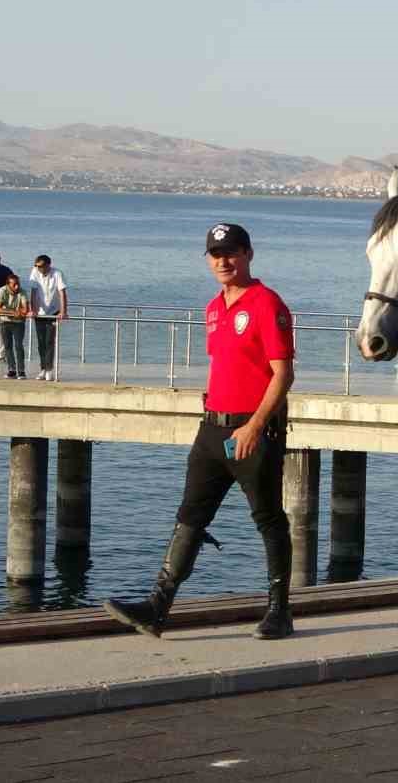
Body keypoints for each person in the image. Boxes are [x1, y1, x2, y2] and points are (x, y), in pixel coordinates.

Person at [104, 222, 297, 640]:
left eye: (231, 252)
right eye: (215, 254)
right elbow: (224, 366)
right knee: (190, 516)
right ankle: (157, 607)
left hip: (253, 432)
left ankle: (279, 612)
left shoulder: (267, 303)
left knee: (268, 520)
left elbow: (282, 374)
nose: (223, 261)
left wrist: (254, 427)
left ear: (248, 254)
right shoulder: (213, 308)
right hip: (212, 430)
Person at [28, 254, 69, 381]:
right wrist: (32, 310)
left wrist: (63, 311)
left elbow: (62, 293)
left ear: (48, 265)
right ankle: (43, 369)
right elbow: (33, 292)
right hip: (40, 312)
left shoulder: (57, 273)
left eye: (40, 266)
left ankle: (49, 370)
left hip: (54, 312)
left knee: (49, 341)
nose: (38, 268)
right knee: (41, 343)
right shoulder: (35, 272)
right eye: (36, 266)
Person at [0, 272, 29, 379]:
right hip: (5, 322)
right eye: (14, 284)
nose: (17, 286)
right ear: (8, 284)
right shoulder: (2, 290)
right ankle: (12, 370)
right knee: (8, 346)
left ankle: (21, 371)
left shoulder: (22, 292)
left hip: (19, 323)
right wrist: (13, 312)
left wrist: (15, 312)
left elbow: (25, 310)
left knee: (19, 346)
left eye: (18, 284)